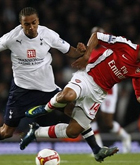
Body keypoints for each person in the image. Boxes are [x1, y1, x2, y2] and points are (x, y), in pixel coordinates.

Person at [20, 30, 140, 161]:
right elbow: (97, 36)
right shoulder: (125, 45)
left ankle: (36, 132)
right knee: (68, 96)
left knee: (73, 131)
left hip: (99, 94)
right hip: (88, 77)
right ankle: (46, 108)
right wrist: (86, 56)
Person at [0, 7, 85, 140]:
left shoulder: (48, 35)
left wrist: (80, 52)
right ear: (21, 25)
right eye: (26, 24)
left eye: (34, 22)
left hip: (48, 88)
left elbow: (70, 51)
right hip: (22, 91)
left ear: (38, 21)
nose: (31, 27)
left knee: (78, 115)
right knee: (6, 132)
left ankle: (96, 148)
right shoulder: (11, 38)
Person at [89, 27, 131, 153]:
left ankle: (126, 137)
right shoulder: (89, 51)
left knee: (108, 122)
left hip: (109, 89)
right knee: (90, 117)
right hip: (94, 88)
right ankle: (97, 148)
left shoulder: (110, 50)